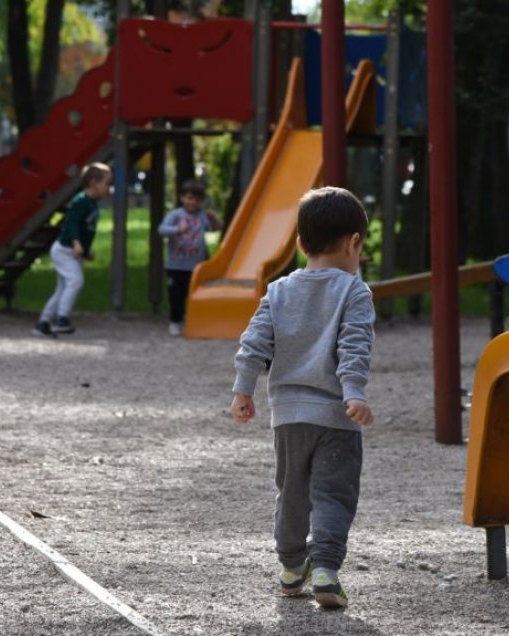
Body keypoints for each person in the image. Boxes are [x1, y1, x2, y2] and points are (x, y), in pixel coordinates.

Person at [230, 186, 375, 609]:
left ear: (299, 244)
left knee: (291, 491)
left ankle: (292, 569)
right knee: (333, 493)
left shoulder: (277, 292)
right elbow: (354, 347)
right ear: (353, 243)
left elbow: (253, 342)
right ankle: (326, 570)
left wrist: (243, 388)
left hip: (288, 417)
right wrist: (354, 394)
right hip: (336, 417)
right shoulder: (354, 291)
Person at [33, 163, 113, 337]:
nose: (109, 187)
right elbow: (72, 223)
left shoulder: (92, 203)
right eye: (106, 183)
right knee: (76, 281)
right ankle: (61, 319)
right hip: (64, 250)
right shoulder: (81, 201)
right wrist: (76, 242)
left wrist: (85, 251)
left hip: (72, 252)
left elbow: (87, 230)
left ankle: (43, 323)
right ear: (94, 183)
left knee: (62, 289)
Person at [157, 179, 222, 336]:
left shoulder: (202, 216)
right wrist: (177, 230)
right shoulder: (176, 215)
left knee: (193, 294)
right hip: (176, 265)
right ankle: (175, 321)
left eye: (197, 199)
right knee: (176, 295)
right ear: (182, 198)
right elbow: (162, 230)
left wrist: (213, 219)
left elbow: (217, 228)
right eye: (189, 198)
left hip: (196, 265)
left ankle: (193, 319)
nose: (193, 202)